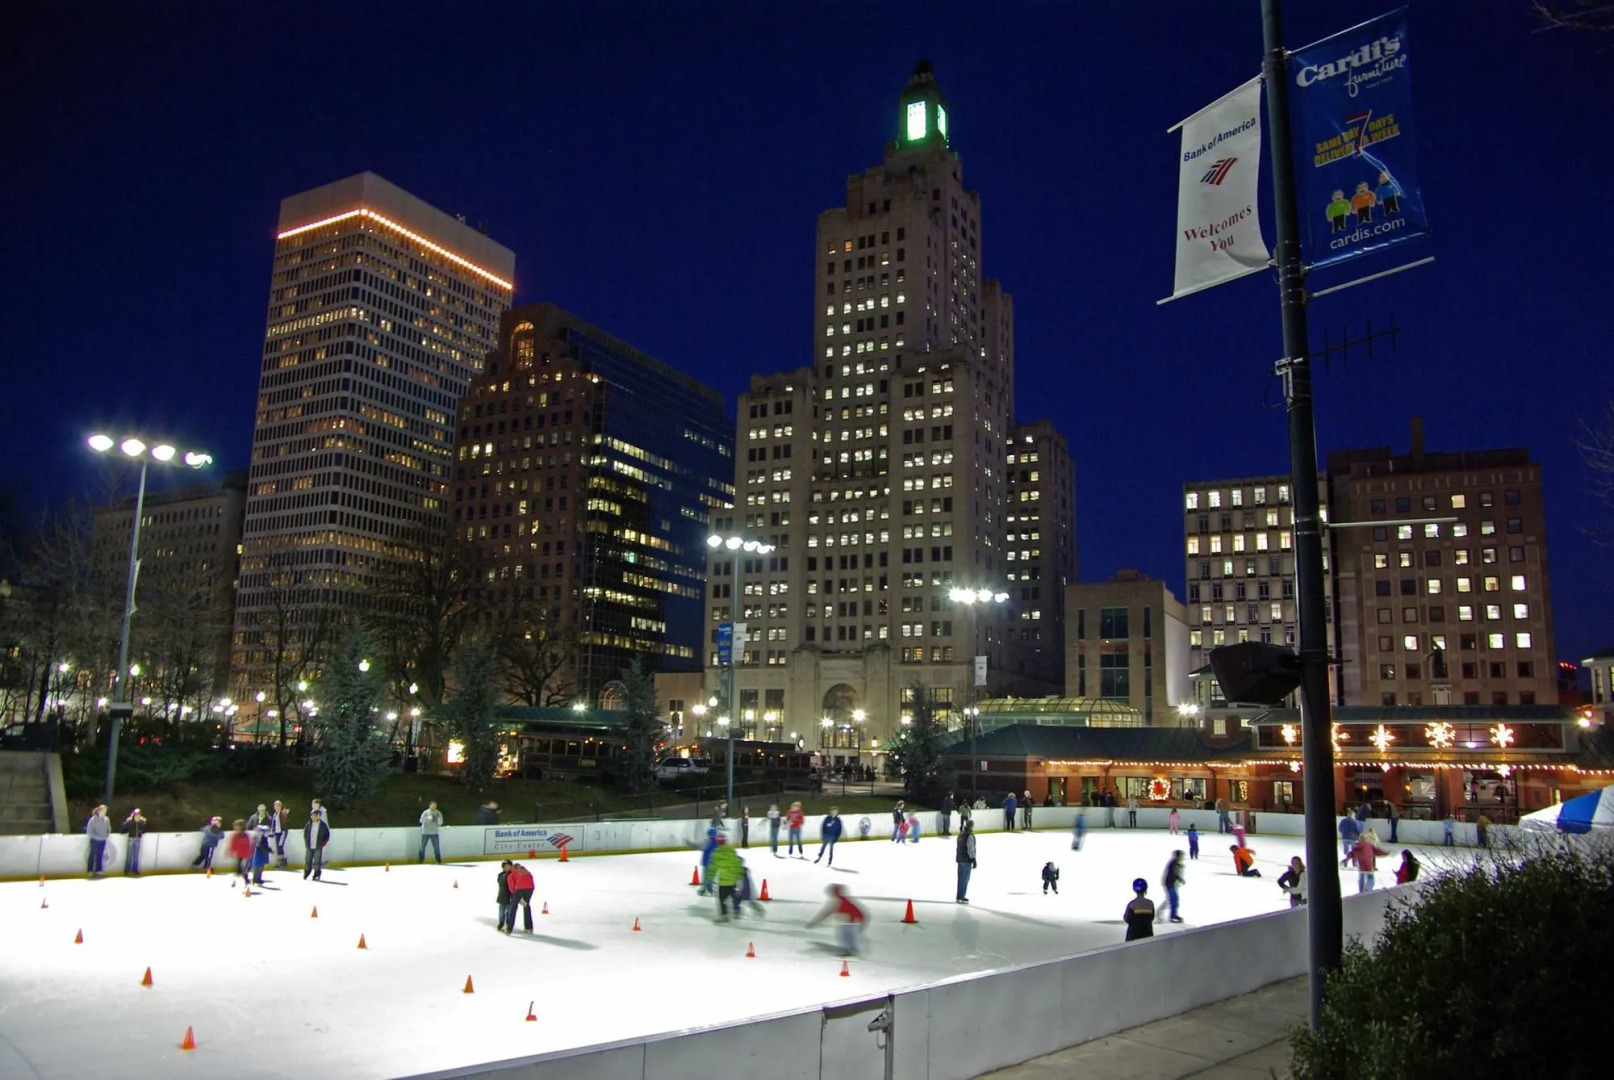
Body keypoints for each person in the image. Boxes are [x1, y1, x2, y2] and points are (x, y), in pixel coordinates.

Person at [805, 883, 866, 957]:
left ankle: (849, 951)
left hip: (848, 923)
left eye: (831, 892)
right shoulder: (842, 900)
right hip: (848, 923)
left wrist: (814, 922)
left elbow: (827, 913)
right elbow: (858, 911)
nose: (830, 893)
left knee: (846, 936)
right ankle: (851, 950)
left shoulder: (839, 901)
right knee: (847, 937)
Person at [710, 837, 745, 921]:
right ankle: (737, 910)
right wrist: (740, 874)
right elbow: (737, 864)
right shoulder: (731, 852)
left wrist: (710, 878)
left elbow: (713, 867)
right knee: (735, 895)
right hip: (732, 881)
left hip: (723, 882)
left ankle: (724, 915)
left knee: (722, 899)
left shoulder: (716, 853)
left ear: (718, 843)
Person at [505, 861, 535, 933]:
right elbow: (531, 880)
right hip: (530, 889)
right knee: (526, 906)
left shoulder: (511, 874)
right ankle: (529, 927)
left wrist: (517, 897)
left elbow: (511, 887)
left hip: (519, 890)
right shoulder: (527, 871)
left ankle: (509, 928)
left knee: (513, 908)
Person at [85, 804, 111, 878]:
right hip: (94, 840)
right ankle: (90, 870)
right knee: (92, 854)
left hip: (103, 840)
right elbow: (89, 830)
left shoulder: (106, 819)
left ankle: (98, 869)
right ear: (99, 811)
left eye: (105, 811)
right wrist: (96, 837)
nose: (104, 812)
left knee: (100, 854)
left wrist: (106, 835)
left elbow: (108, 828)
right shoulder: (93, 819)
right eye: (103, 810)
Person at [302, 811, 330, 881]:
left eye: (314, 815)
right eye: (311, 815)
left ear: (318, 816)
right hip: (309, 845)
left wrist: (324, 843)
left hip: (318, 845)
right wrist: (306, 842)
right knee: (308, 859)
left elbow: (327, 835)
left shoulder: (322, 825)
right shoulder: (309, 824)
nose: (312, 817)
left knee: (317, 861)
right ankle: (307, 872)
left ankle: (317, 873)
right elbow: (305, 833)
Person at [955, 820, 977, 903]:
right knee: (964, 879)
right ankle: (961, 896)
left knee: (961, 878)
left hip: (960, 858)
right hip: (966, 860)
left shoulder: (960, 834)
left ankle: (959, 896)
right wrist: (973, 859)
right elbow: (970, 849)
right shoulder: (969, 836)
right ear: (971, 826)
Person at [121, 807, 147, 877]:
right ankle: (127, 870)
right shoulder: (130, 822)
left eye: (139, 814)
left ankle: (135, 870)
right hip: (131, 840)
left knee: (136, 856)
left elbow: (144, 831)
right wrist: (126, 822)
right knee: (129, 856)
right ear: (134, 815)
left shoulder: (141, 822)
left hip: (138, 840)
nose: (137, 816)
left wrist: (144, 823)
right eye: (136, 814)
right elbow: (122, 830)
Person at [227, 820, 253, 887]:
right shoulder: (235, 835)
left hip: (245, 855)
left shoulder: (245, 835)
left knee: (242, 869)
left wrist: (249, 853)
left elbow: (248, 845)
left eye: (237, 827)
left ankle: (244, 880)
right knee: (239, 869)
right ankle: (240, 880)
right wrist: (231, 851)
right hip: (239, 855)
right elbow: (233, 844)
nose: (236, 829)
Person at [1162, 850, 1185, 923]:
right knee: (1173, 900)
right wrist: (1180, 879)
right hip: (1170, 884)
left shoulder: (1175, 862)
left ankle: (1174, 915)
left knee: (1175, 900)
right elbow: (1174, 873)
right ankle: (1172, 916)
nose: (1182, 857)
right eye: (1181, 856)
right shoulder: (1174, 863)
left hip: (1171, 884)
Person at [495, 860, 515, 932]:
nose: (507, 868)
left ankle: (508, 922)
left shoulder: (513, 874)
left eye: (508, 866)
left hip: (511, 896)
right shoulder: (501, 875)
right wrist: (509, 874)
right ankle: (501, 922)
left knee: (510, 911)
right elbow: (502, 881)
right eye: (505, 867)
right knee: (502, 911)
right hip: (503, 896)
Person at [270, 800, 290, 868]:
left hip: (282, 832)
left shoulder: (282, 813)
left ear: (280, 806)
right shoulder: (275, 814)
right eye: (275, 806)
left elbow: (285, 820)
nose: (276, 807)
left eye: (278, 806)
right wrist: (272, 831)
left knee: (280, 845)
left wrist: (285, 813)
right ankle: (281, 860)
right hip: (277, 832)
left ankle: (282, 860)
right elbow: (273, 824)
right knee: (278, 847)